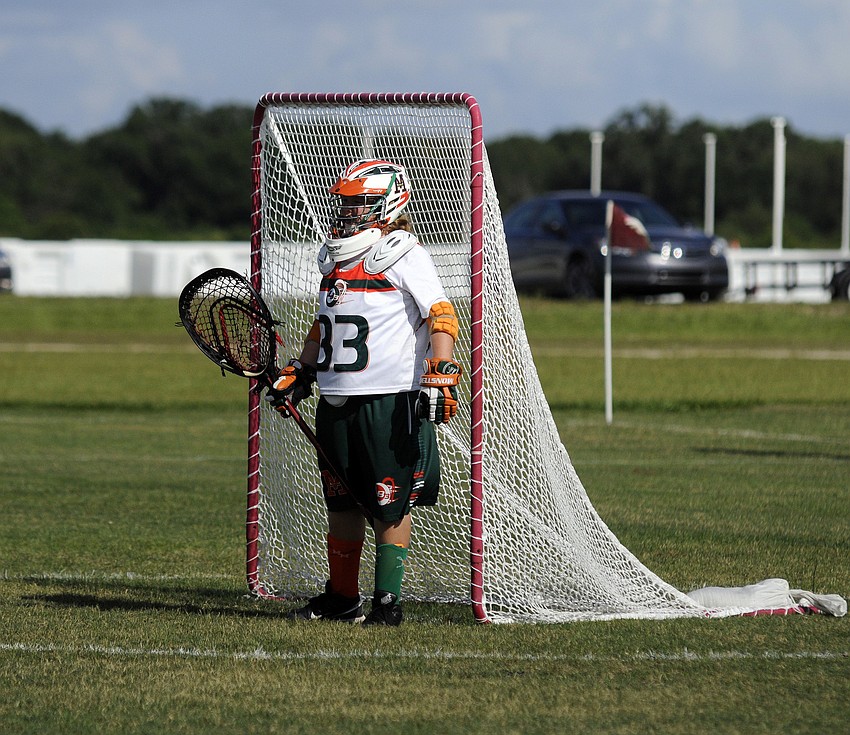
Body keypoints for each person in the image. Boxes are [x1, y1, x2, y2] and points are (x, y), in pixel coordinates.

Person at [265, 159, 462, 626]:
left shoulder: (402, 252)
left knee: (386, 500)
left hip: (388, 397)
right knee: (342, 499)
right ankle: (342, 597)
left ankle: (387, 602)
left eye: (360, 202)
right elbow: (325, 325)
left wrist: (440, 370)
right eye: (346, 202)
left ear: (390, 203)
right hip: (336, 397)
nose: (349, 211)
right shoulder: (334, 260)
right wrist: (303, 370)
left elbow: (440, 313)